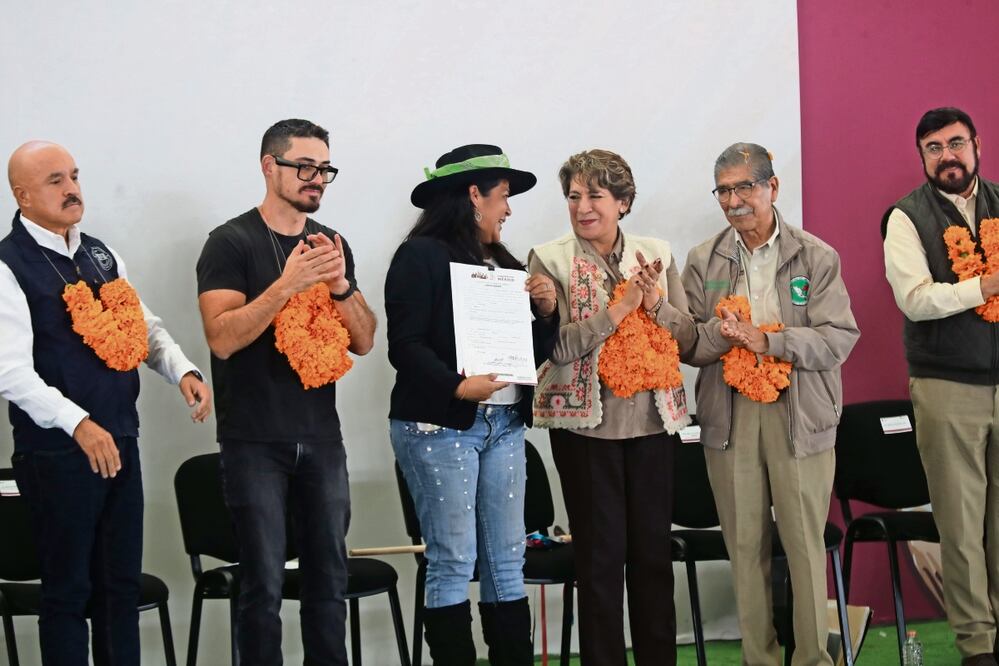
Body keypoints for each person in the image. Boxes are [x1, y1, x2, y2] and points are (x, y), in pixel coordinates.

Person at [0, 140, 211, 665]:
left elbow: (143, 327)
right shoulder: (8, 265)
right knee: (68, 592)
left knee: (120, 587)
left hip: (121, 440)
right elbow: (10, 372)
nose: (72, 189)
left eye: (74, 176)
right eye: (55, 181)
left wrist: (180, 367)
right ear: (22, 196)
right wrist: (78, 424)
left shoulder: (100, 253)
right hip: (57, 454)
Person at [196, 119, 376, 665]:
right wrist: (285, 287)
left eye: (324, 169)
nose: (315, 178)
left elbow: (365, 340)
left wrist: (340, 284)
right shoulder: (230, 242)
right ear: (268, 165)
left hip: (321, 439)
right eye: (304, 166)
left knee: (329, 581)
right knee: (263, 587)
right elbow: (222, 339)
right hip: (254, 440)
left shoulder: (330, 244)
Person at [682, 142, 859, 666]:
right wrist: (724, 333)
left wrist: (770, 342)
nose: (734, 200)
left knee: (805, 545)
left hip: (799, 415)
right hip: (730, 416)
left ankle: (813, 659)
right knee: (744, 546)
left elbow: (838, 338)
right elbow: (690, 343)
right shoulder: (702, 259)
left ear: (772, 188)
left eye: (745, 187)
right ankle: (759, 658)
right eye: (724, 190)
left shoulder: (816, 255)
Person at [385, 144, 559, 665]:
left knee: (507, 558)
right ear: (473, 195)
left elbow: (524, 356)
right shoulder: (419, 256)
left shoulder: (503, 263)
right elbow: (405, 345)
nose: (508, 210)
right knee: (453, 559)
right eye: (503, 197)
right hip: (440, 426)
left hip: (504, 422)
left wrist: (546, 314)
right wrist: (457, 388)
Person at [529, 149, 694, 665]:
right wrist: (619, 309)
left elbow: (686, 337)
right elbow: (555, 349)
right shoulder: (548, 258)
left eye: (595, 196)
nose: (582, 207)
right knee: (598, 564)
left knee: (651, 559)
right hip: (584, 432)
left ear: (622, 203)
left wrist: (655, 306)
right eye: (574, 196)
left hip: (651, 426)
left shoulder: (657, 253)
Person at [882, 107, 999, 666]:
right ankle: (978, 648)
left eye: (956, 143)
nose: (947, 155)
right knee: (960, 525)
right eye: (934, 147)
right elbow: (916, 299)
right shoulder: (905, 217)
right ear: (922, 156)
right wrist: (987, 285)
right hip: (947, 383)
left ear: (977, 145)